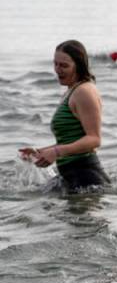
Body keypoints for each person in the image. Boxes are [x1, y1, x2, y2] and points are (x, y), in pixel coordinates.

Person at [18, 40, 110, 192]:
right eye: (55, 64)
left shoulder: (84, 92)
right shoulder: (71, 91)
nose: (58, 70)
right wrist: (40, 152)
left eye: (64, 66)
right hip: (71, 175)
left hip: (86, 178)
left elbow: (94, 139)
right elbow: (71, 140)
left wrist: (56, 152)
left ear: (79, 66)